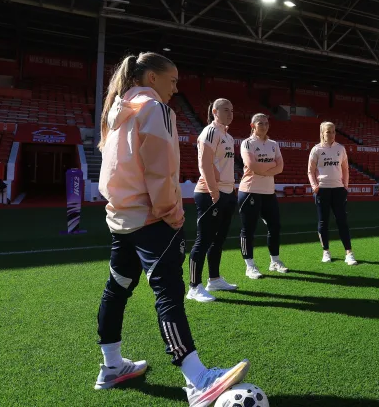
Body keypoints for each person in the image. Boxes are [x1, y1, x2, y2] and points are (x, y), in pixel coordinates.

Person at [95, 52, 249, 405]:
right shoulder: (155, 110)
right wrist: (171, 214)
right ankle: (198, 379)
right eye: (173, 81)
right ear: (152, 78)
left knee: (117, 288)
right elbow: (160, 170)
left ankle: (112, 366)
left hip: (121, 218)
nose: (176, 89)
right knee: (168, 292)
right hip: (152, 218)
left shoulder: (117, 110)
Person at [187, 98, 239, 303]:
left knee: (218, 240)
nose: (230, 113)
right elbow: (204, 163)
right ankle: (193, 286)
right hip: (210, 193)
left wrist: (230, 190)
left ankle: (214, 279)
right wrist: (214, 191)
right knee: (204, 240)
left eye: (232, 110)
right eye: (226, 110)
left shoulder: (228, 135)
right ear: (215, 112)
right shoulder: (210, 131)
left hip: (227, 193)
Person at [238, 113, 287, 279]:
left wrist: (263, 168)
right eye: (260, 123)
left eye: (266, 123)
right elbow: (251, 166)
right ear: (253, 126)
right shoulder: (247, 143)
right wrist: (271, 165)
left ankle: (275, 261)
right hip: (250, 190)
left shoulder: (274, 144)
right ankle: (250, 266)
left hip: (268, 192)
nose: (264, 126)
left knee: (275, 226)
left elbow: (280, 167)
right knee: (249, 230)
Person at [308, 121, 357, 265]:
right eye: (328, 131)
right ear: (322, 133)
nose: (331, 134)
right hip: (322, 190)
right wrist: (315, 187)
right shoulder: (316, 150)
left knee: (342, 221)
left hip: (338, 190)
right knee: (323, 222)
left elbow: (345, 169)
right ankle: (326, 252)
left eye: (334, 131)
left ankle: (349, 253)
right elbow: (310, 171)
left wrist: (345, 186)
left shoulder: (340, 149)